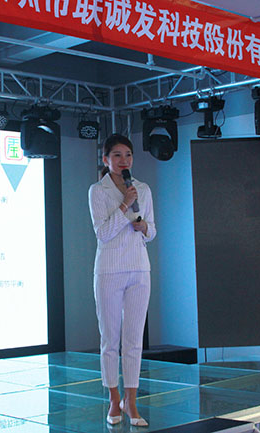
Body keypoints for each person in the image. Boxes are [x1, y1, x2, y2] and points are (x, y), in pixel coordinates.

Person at [88, 133, 156, 427]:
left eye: (127, 155)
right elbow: (103, 232)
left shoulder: (143, 188)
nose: (123, 160)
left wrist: (144, 227)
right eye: (116, 155)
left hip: (139, 268)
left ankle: (132, 401)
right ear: (106, 159)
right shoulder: (97, 191)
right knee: (110, 340)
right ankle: (113, 399)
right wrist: (125, 205)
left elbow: (152, 231)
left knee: (134, 340)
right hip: (109, 270)